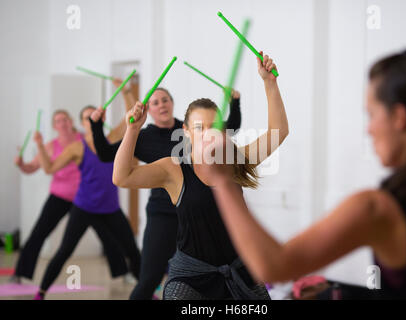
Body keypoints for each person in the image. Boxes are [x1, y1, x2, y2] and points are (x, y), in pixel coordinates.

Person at [200, 50, 406, 299]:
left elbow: (273, 266)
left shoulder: (379, 208)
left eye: (372, 115)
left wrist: (222, 180)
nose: (369, 129)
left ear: (399, 117)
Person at [113, 52, 288, 299]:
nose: (207, 133)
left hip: (239, 271)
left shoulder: (234, 160)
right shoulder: (174, 169)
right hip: (191, 279)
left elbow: (278, 132)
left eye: (213, 126)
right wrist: (132, 130)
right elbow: (122, 177)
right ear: (185, 132)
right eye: (199, 127)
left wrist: (270, 83)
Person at [89, 87, 242, 299]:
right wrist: (96, 125)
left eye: (165, 100)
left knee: (214, 277)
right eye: (155, 102)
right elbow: (106, 154)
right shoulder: (143, 137)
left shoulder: (191, 129)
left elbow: (229, 127)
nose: (161, 105)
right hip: (163, 214)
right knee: (150, 279)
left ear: (172, 103)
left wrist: (235, 102)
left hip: (195, 214)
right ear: (148, 110)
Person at [32, 81, 141, 300]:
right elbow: (49, 168)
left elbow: (133, 116)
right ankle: (41, 292)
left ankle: (148, 292)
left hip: (110, 207)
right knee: (65, 250)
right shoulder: (77, 146)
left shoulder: (112, 138)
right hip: (84, 206)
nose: (92, 120)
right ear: (81, 123)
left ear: (102, 118)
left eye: (96, 115)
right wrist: (41, 146)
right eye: (87, 117)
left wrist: (126, 90)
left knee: (132, 249)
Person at [11, 110, 83, 283]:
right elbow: (31, 167)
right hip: (59, 195)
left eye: (65, 119)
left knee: (109, 232)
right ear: (54, 126)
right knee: (39, 233)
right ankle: (20, 273)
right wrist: (21, 164)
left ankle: (127, 272)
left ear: (71, 121)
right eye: (58, 121)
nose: (63, 123)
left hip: (84, 197)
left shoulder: (84, 139)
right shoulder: (51, 145)